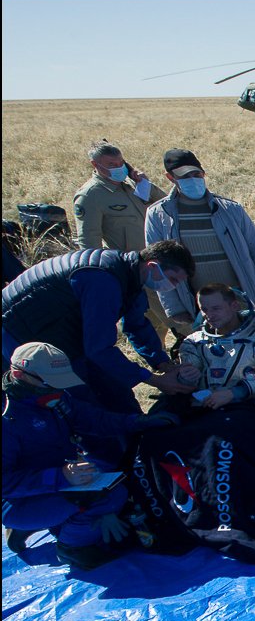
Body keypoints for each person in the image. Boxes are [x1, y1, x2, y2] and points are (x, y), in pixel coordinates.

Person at [1, 342, 177, 569]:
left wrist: (138, 422)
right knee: (102, 499)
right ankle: (71, 548)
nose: (58, 389)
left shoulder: (53, 397)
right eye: (50, 382)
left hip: (61, 480)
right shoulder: (7, 419)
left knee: (118, 485)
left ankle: (43, 522)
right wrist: (59, 477)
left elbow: (93, 419)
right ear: (19, 375)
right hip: (17, 500)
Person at [2, 241, 199, 414]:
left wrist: (163, 364)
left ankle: (131, 442)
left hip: (62, 329)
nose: (172, 286)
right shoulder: (103, 279)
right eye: (173, 279)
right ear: (152, 265)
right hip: (19, 330)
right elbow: (99, 349)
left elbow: (137, 326)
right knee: (82, 401)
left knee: (115, 394)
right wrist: (154, 380)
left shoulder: (131, 276)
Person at [145, 149, 255, 335]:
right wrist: (174, 308)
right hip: (200, 307)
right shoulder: (159, 215)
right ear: (170, 177)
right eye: (184, 176)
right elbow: (158, 266)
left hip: (240, 299)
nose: (193, 179)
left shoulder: (230, 209)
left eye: (196, 174)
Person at [72, 140, 171, 338]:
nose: (118, 168)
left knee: (155, 321)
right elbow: (89, 241)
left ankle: (162, 357)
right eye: (111, 165)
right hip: (134, 269)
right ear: (95, 165)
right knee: (168, 316)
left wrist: (145, 185)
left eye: (120, 163)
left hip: (160, 261)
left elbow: (166, 205)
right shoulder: (91, 196)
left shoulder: (131, 187)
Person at [172, 283, 255, 414]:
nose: (209, 315)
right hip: (201, 412)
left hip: (249, 410)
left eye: (216, 308)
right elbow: (186, 384)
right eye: (204, 309)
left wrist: (235, 393)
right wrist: (186, 377)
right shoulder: (193, 342)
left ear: (234, 306)